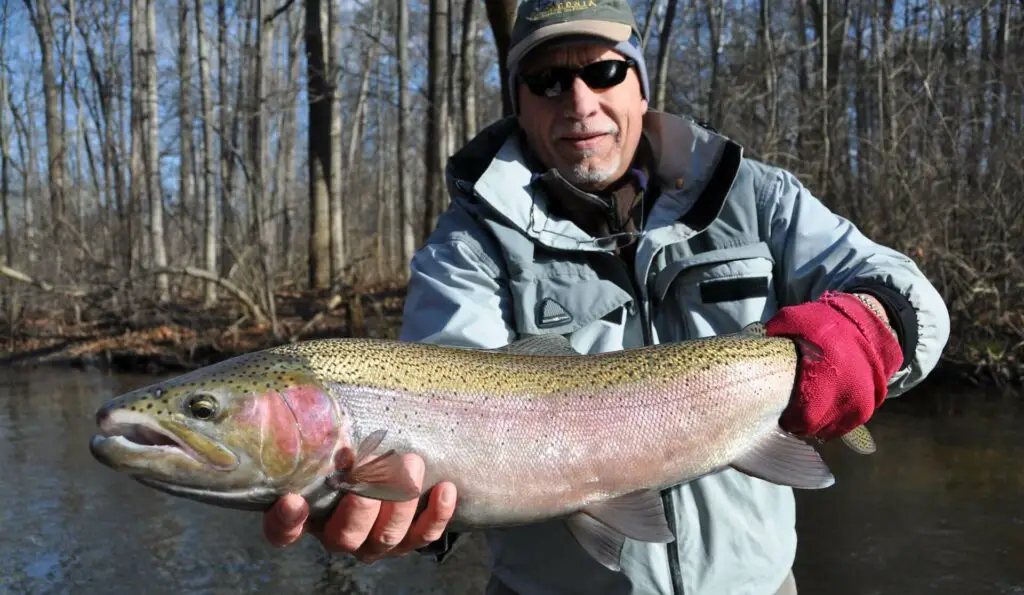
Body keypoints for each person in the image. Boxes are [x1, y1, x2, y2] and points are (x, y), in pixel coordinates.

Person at [262, 0, 951, 592]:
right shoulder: (468, 244)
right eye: (548, 80)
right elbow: (442, 394)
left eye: (604, 71)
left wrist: (868, 325)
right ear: (521, 102)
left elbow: (909, 297)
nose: (580, 102)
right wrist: (408, 512)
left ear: (640, 86)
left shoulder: (755, 197)